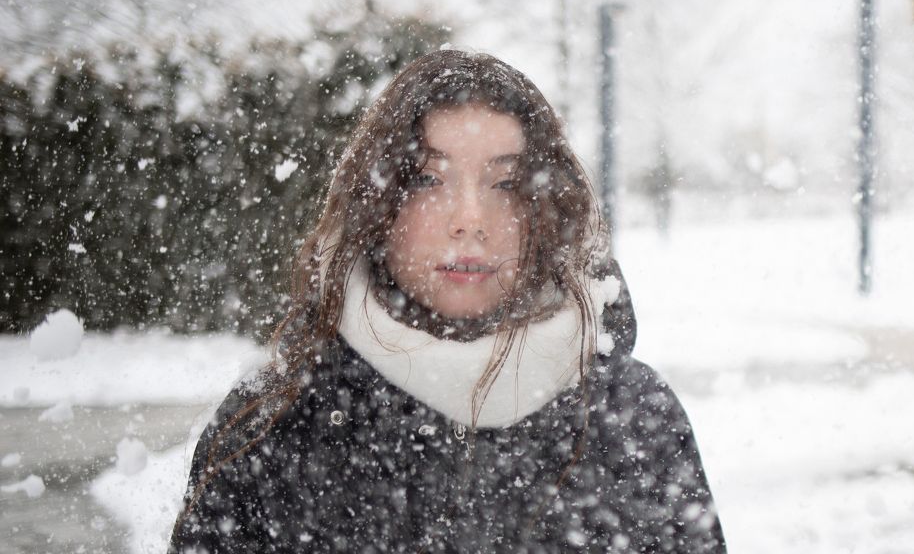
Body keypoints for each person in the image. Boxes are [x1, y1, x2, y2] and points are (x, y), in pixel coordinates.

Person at [168, 49, 726, 552]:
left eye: (505, 184)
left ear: (546, 207)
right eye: (428, 180)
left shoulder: (630, 418)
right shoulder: (274, 425)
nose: (470, 220)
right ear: (379, 200)